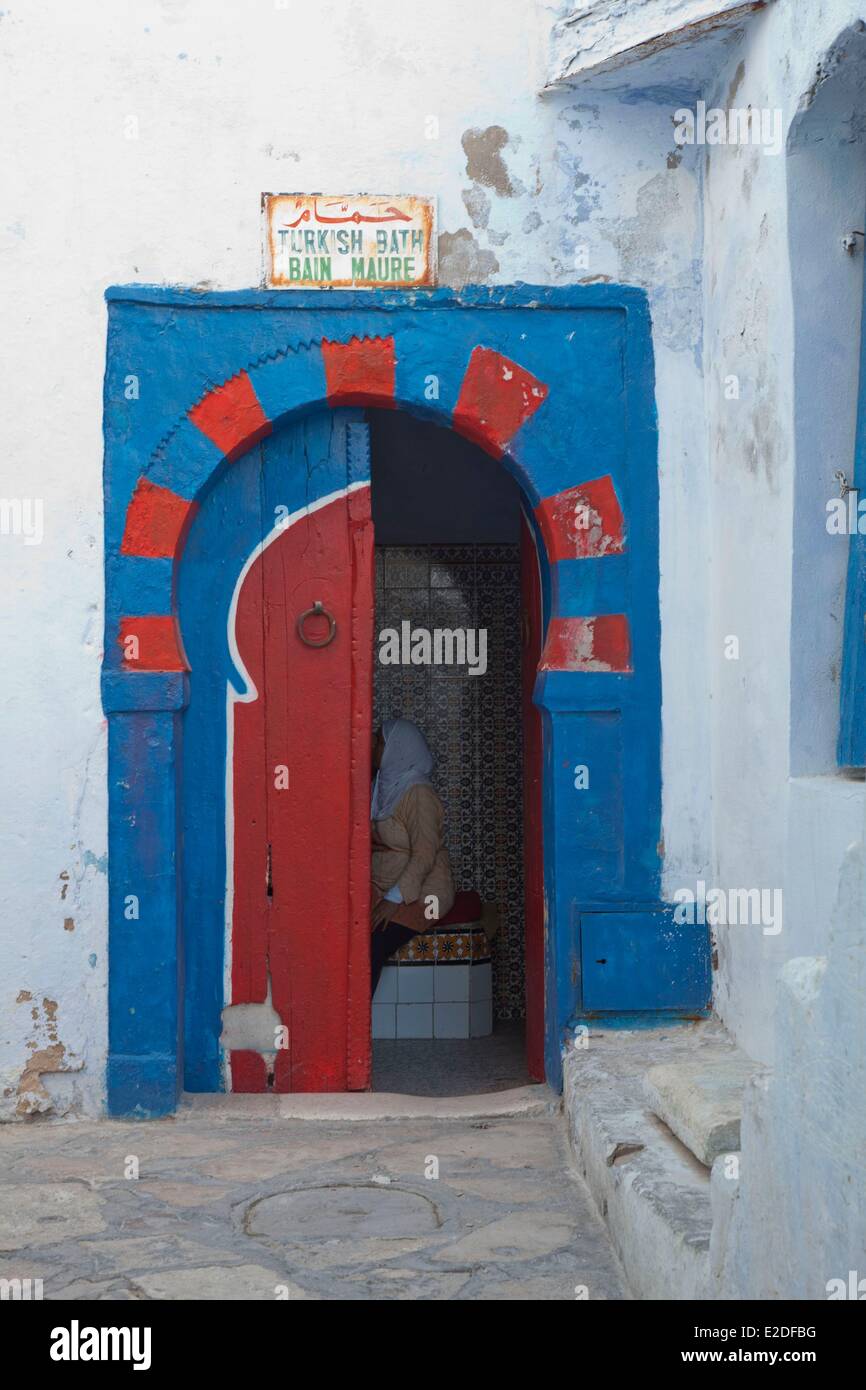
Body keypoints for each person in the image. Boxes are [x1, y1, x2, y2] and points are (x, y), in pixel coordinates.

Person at [370, 717, 455, 995]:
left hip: (422, 892)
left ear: (399, 748)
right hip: (385, 885)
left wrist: (395, 899)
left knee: (374, 943)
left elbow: (424, 854)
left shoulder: (418, 793)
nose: (374, 747)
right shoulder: (383, 787)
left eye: (380, 742)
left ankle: (357, 1029)